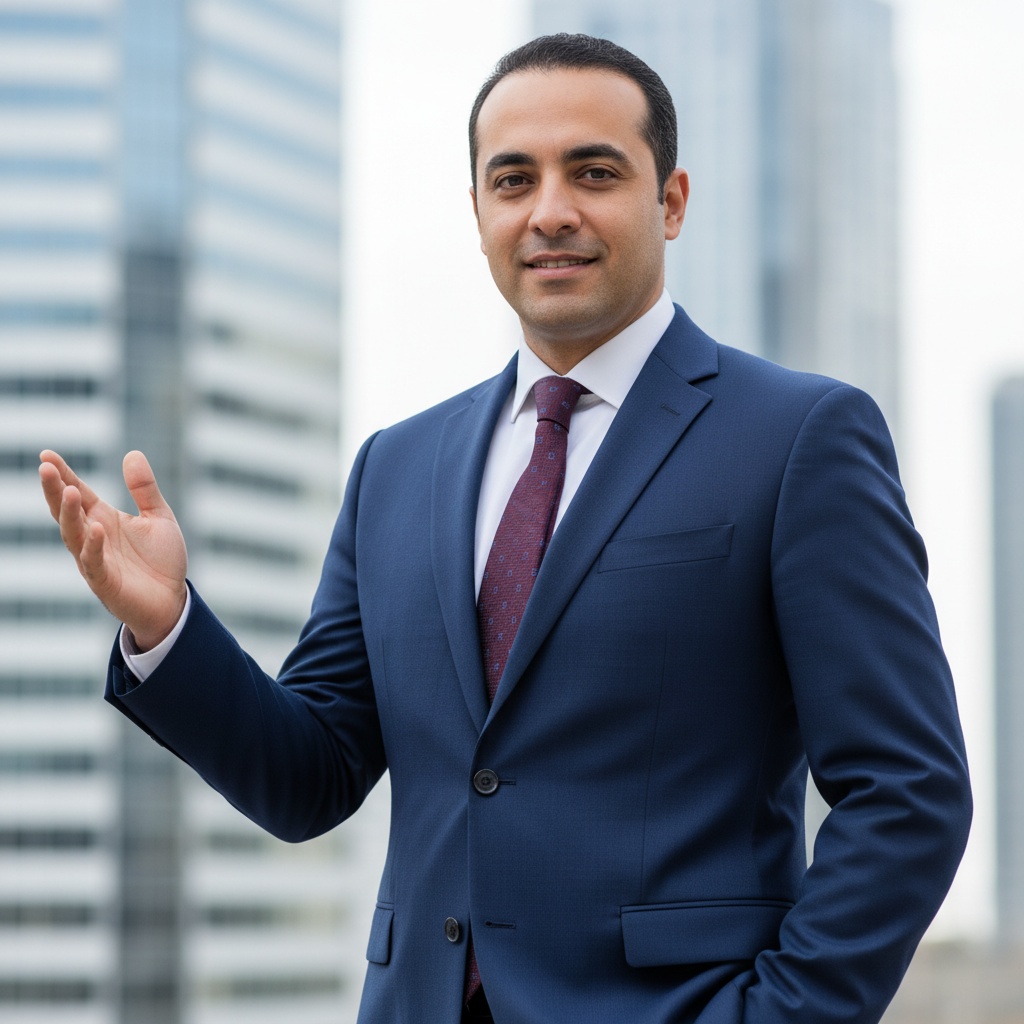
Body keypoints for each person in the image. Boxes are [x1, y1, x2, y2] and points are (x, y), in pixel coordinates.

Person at [40, 33, 971, 1024]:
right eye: (513, 179)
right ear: (479, 213)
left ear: (672, 200)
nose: (550, 210)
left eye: (594, 171)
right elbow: (308, 776)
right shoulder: (396, 467)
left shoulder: (797, 439)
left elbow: (907, 792)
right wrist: (169, 627)